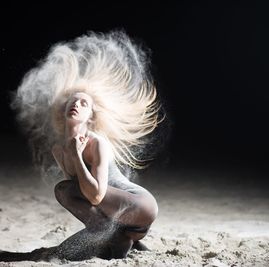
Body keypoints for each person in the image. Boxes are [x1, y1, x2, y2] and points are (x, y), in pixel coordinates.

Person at [11, 30, 163, 260]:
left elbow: (95, 195)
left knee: (66, 189)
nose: (76, 104)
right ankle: (118, 237)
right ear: (63, 110)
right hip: (123, 221)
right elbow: (85, 198)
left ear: (91, 115)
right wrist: (72, 153)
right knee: (68, 188)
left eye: (84, 103)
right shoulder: (59, 150)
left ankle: (106, 236)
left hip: (140, 206)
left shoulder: (97, 143)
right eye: (72, 101)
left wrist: (77, 155)